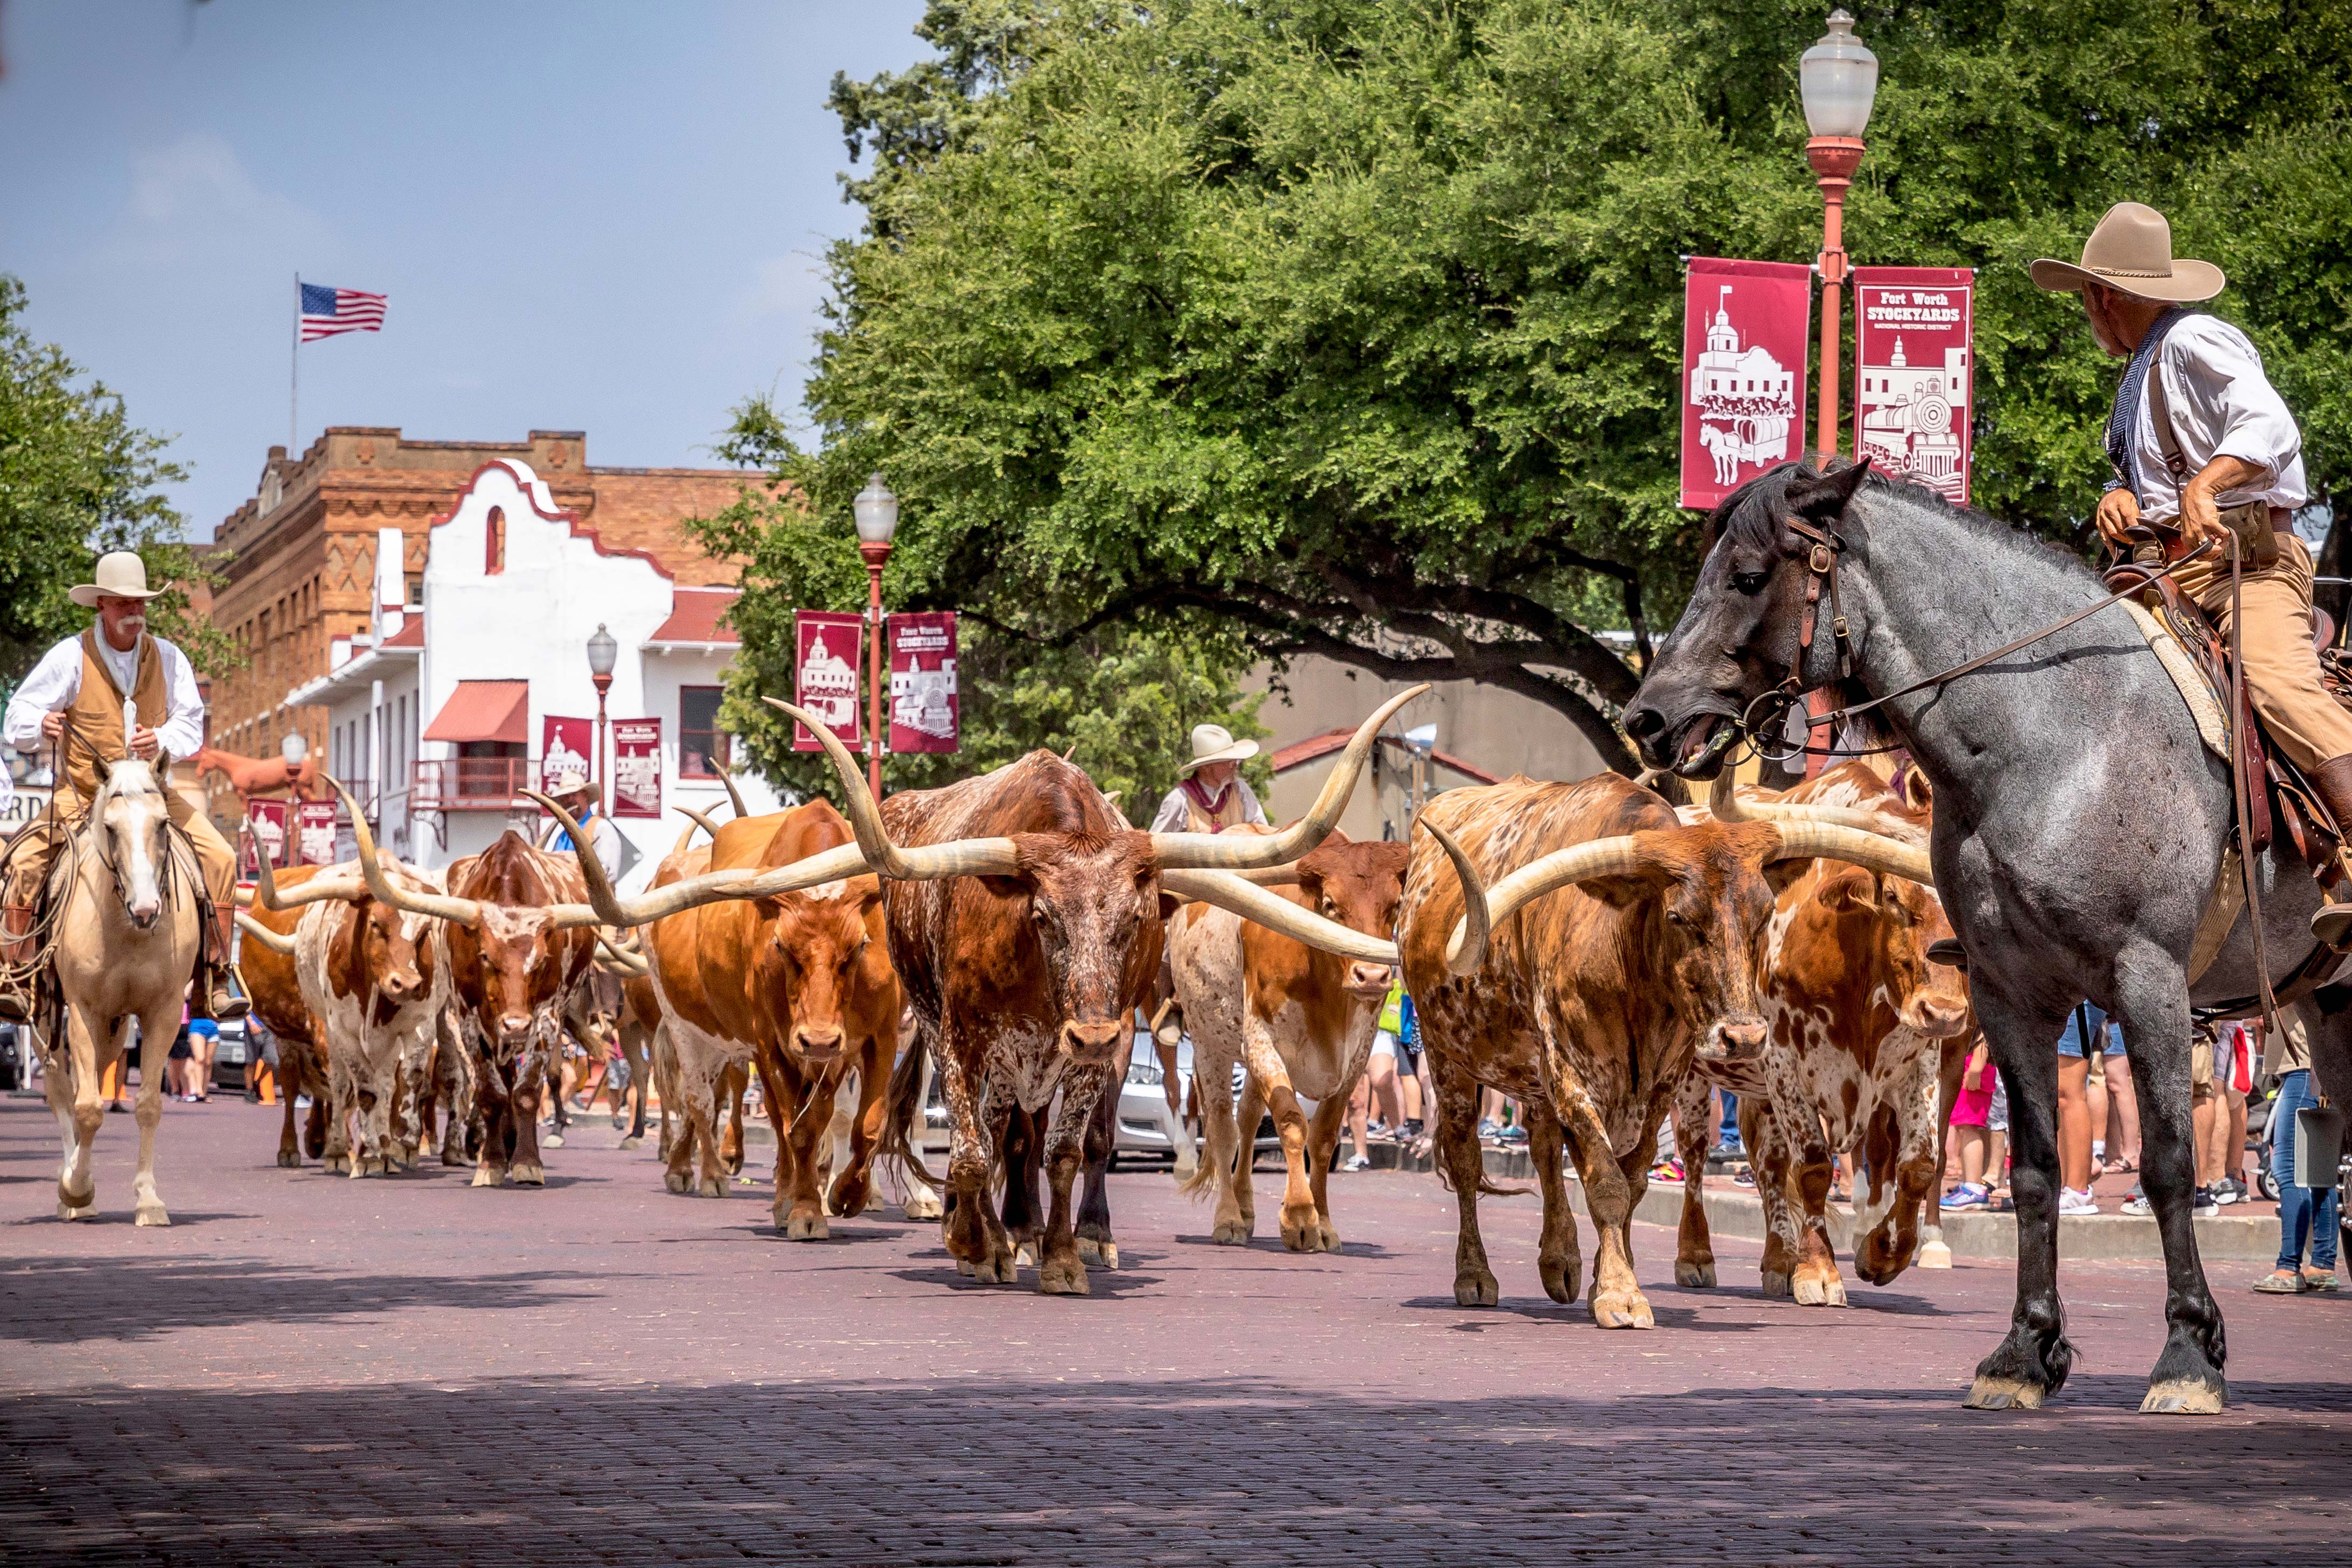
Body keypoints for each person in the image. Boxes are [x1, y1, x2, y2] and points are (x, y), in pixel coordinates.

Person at [2033, 203, 2352, 941]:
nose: (2087, 313)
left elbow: (2265, 428)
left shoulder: (2189, 340)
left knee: (2274, 679)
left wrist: (2205, 485)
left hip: (2245, 566)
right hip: (2162, 577)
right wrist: (2116, 499)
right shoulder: (2140, 372)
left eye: (2085, 297)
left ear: (2101, 295)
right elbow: (2152, 489)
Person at [0, 552, 245, 1022]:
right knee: (25, 859)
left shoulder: (169, 657)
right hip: (84, 793)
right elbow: (18, 717)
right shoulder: (70, 656)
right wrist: (43, 724)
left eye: (140, 604)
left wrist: (164, 738)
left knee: (222, 858)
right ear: (102, 608)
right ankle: (18, 977)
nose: (135, 613)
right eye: (124, 604)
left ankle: (216, 976)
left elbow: (191, 724)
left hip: (153, 795)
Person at [2256, 1009, 2340, 1293]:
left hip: (2302, 1067)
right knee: (2319, 1170)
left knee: (2290, 1168)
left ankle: (2288, 1267)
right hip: (2318, 1066)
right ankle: (2322, 1265)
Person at [1149, 725, 1268, 835]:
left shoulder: (1240, 790)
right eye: (1230, 762)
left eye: (1235, 761)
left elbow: (1262, 831)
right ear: (1207, 767)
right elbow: (1154, 844)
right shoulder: (1179, 800)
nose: (1235, 766)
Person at [2056, 1002, 2117, 1214]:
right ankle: (2068, 1187)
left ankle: (2078, 1191)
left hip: (2074, 1000)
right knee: (2061, 1096)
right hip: (2060, 994)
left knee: (2069, 1094)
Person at [539, 769, 621, 879]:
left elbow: (608, 874)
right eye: (565, 797)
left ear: (585, 795)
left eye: (574, 795)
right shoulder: (562, 837)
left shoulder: (601, 829)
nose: (570, 800)